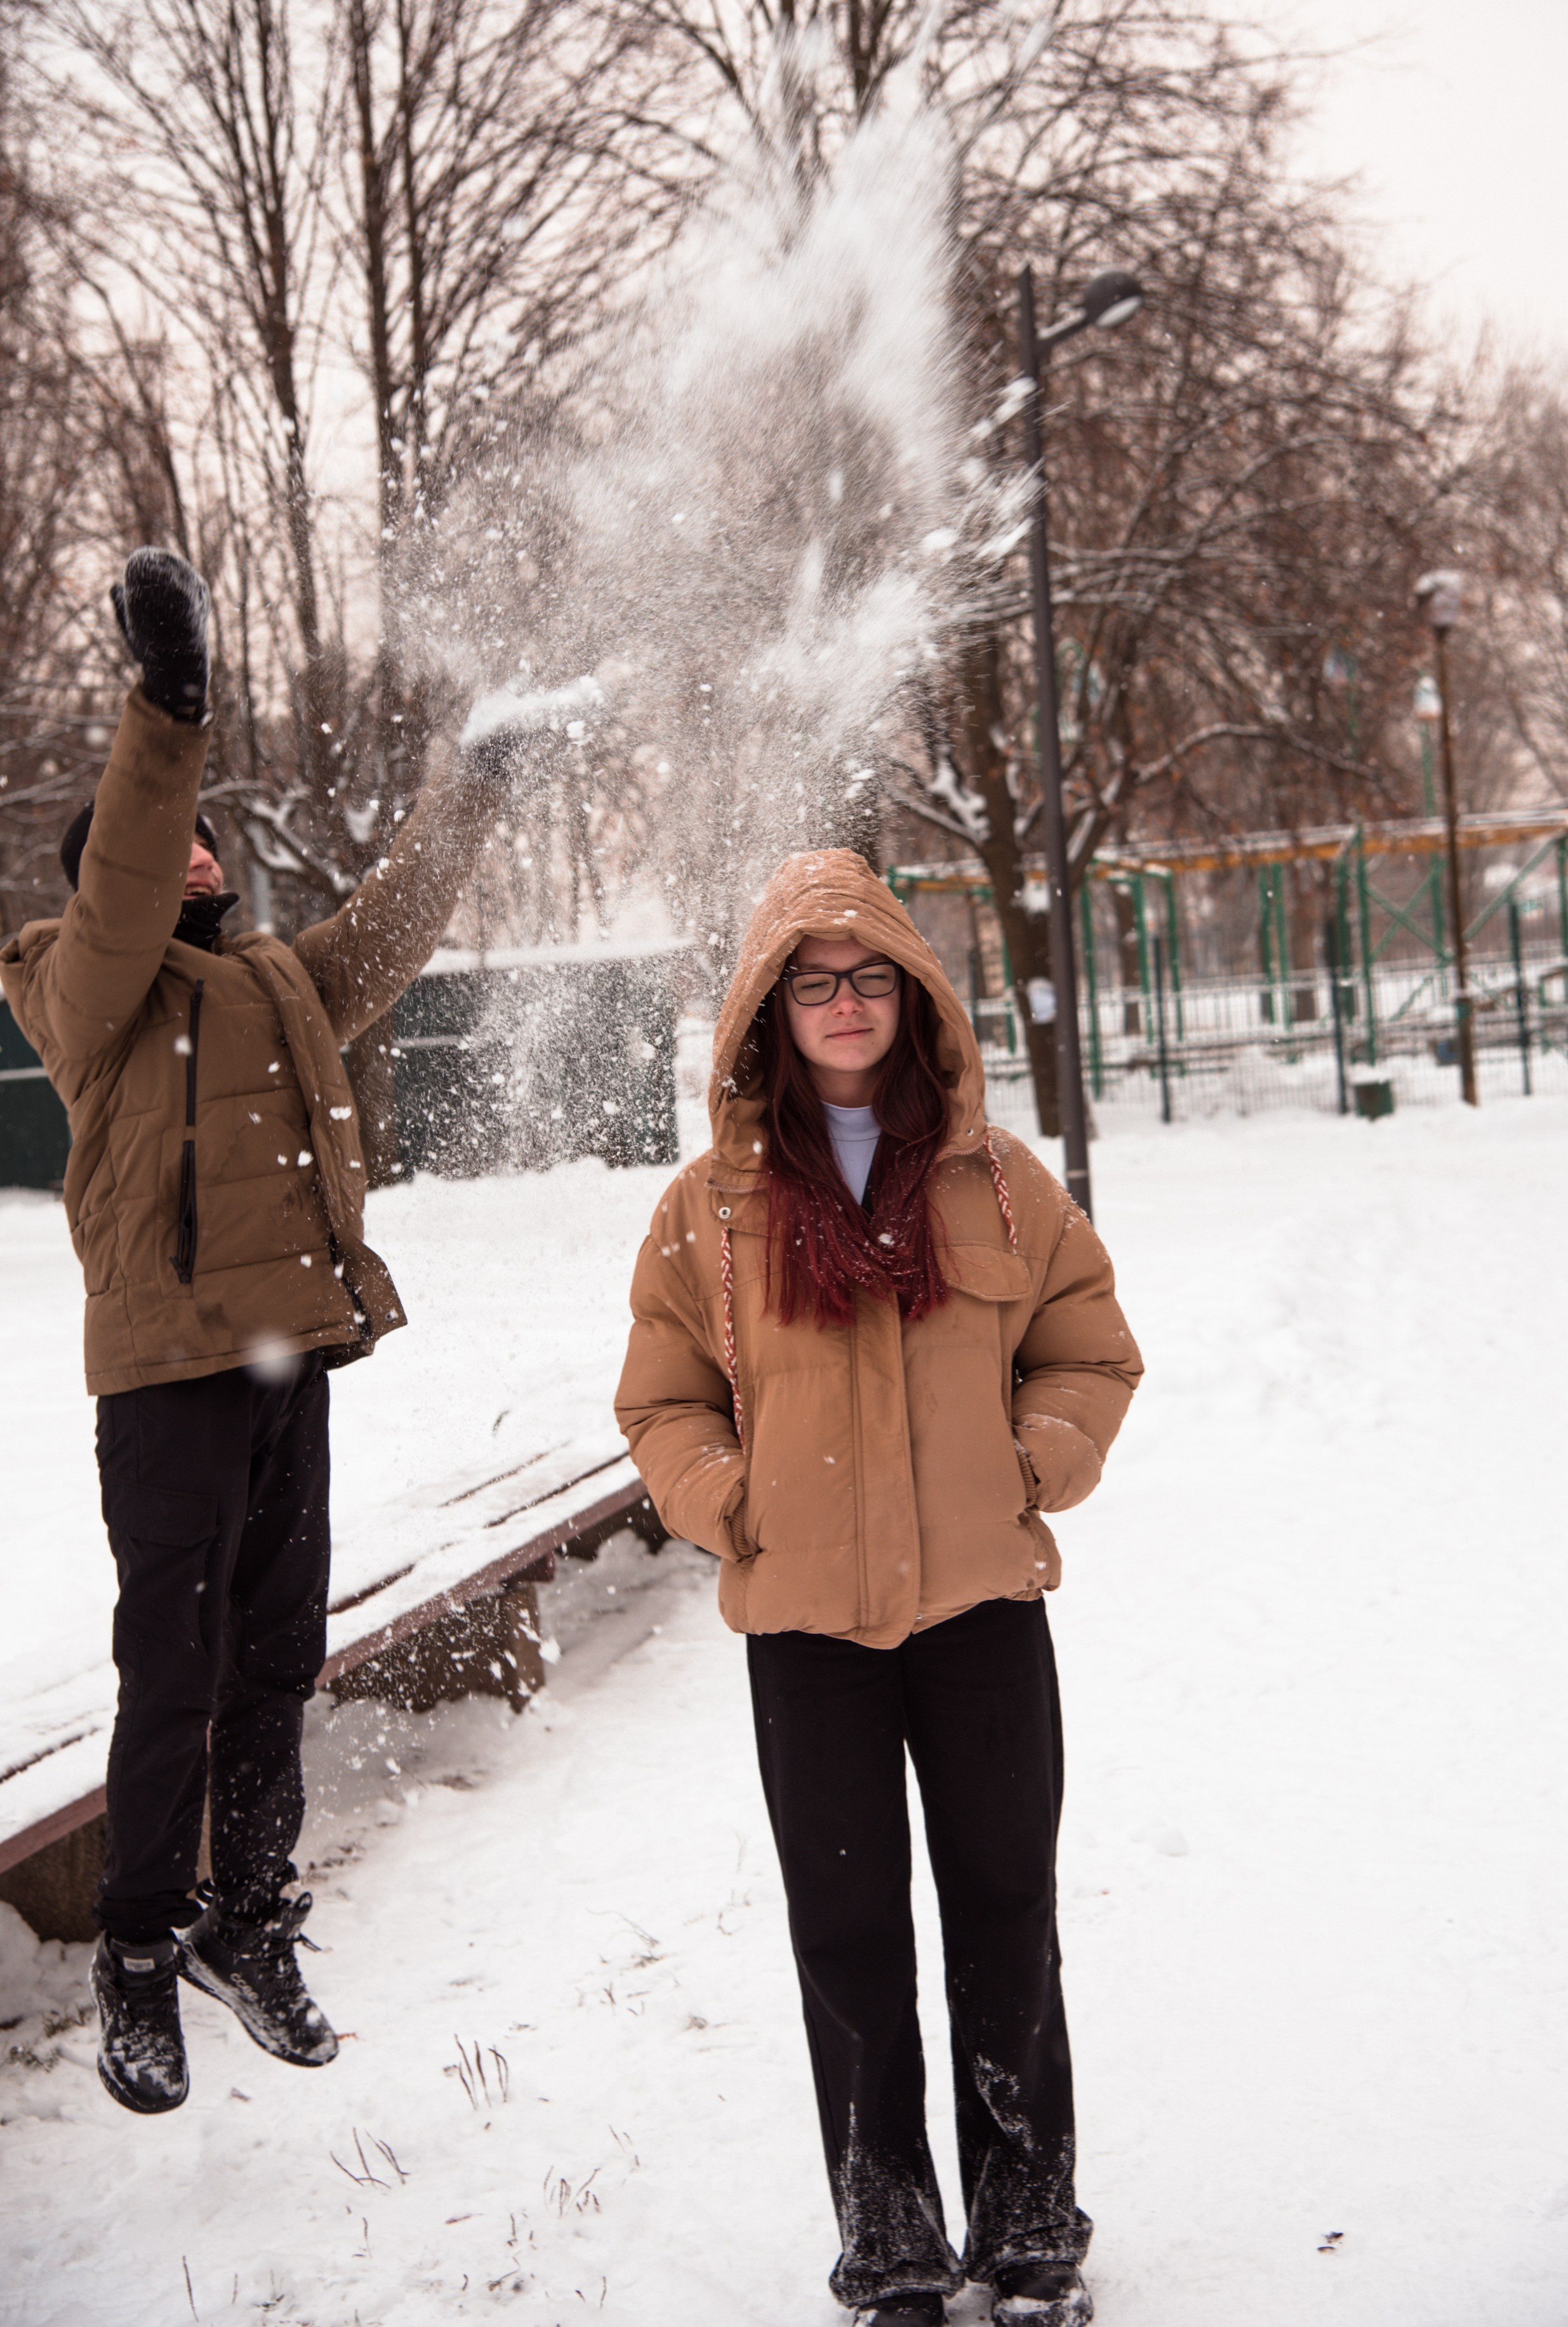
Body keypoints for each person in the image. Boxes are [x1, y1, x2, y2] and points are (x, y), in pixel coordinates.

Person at [0, 548, 597, 2115]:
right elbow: (121, 885)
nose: (194, 857)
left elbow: (387, 926)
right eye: (165, 844)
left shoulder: (275, 980)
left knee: (274, 1658)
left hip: (288, 1361)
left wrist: (472, 788)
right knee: (173, 1667)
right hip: (166, 1380)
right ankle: (136, 1948)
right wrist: (168, 710)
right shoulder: (80, 988)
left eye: (202, 840)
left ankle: (244, 1919)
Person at [615, 849, 1143, 2327]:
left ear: (912, 1000)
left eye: (868, 978)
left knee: (1001, 1904)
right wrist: (727, 1500)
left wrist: (1024, 1462)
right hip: (804, 1626)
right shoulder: (706, 1211)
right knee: (844, 1937)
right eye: (810, 981)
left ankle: (1030, 2219)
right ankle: (892, 2237)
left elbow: (1089, 1350)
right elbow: (661, 1401)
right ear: (767, 1013)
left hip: (981, 1607)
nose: (842, 1004)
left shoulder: (997, 1181)